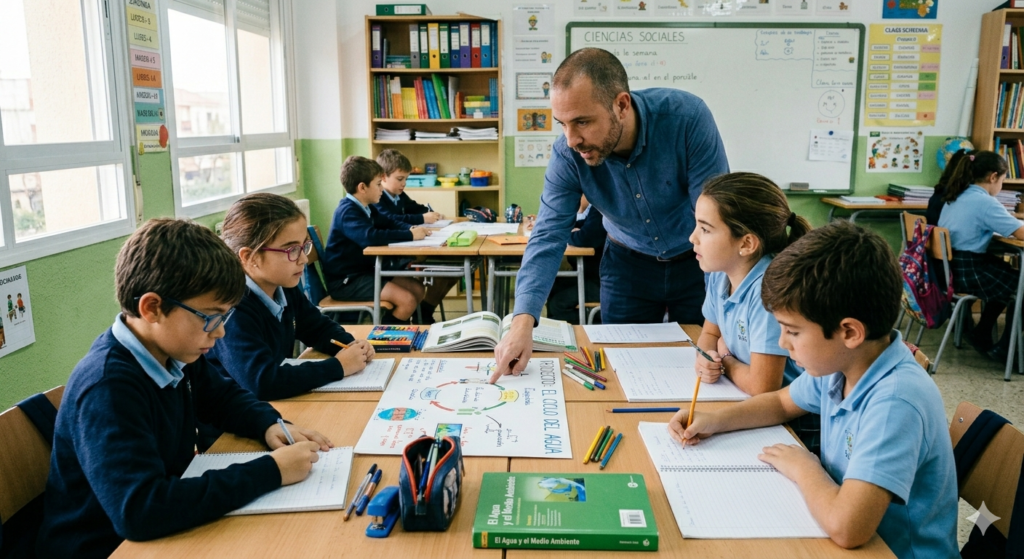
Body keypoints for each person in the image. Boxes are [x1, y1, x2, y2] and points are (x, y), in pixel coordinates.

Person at [36, 218, 332, 559]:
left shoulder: (170, 351)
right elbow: (141, 510)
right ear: (152, 308)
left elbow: (223, 397)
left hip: (162, 533)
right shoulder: (108, 387)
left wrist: (268, 424)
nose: (220, 333)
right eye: (211, 317)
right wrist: (272, 470)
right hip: (106, 547)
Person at [668, 221, 958, 559]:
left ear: (849, 332)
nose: (781, 343)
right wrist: (714, 420)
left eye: (793, 332)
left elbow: (848, 528)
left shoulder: (896, 401)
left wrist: (805, 467)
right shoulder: (843, 364)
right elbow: (780, 402)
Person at [491, 47, 728, 382]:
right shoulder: (567, 152)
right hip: (627, 266)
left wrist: (719, 320)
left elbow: (715, 223)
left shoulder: (687, 119)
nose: (571, 140)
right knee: (625, 372)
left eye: (582, 122)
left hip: (698, 261)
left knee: (706, 369)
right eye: (562, 124)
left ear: (621, 105)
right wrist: (522, 321)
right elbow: (547, 234)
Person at [209, 193, 375, 402]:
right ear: (249, 256)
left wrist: (351, 346)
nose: (304, 259)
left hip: (272, 407)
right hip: (234, 423)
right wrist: (339, 366)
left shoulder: (283, 286)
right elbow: (262, 382)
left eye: (304, 246)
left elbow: (318, 328)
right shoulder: (231, 307)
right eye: (292, 249)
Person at [321, 155, 428, 324]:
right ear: (362, 187)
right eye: (378, 184)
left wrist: (410, 229)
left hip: (365, 272)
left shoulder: (366, 207)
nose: (381, 189)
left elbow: (389, 222)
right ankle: (384, 339)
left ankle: (400, 329)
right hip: (347, 281)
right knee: (407, 300)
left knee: (418, 289)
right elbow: (370, 237)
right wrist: (409, 235)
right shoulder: (347, 211)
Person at [938, 150, 1024, 360]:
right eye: (1002, 180)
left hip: (952, 270)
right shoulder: (985, 202)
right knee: (1020, 285)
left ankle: (982, 333)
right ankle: (1005, 348)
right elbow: (1021, 233)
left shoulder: (957, 194)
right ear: (992, 177)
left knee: (1010, 278)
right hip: (970, 271)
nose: (1001, 186)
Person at [374, 149, 457, 324]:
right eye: (400, 179)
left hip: (404, 248)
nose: (404, 184)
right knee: (444, 268)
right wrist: (421, 219)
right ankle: (417, 317)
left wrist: (430, 213)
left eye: (406, 179)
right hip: (393, 256)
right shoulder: (378, 197)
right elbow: (389, 219)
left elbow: (414, 207)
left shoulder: (398, 195)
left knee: (452, 268)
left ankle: (424, 314)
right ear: (383, 177)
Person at [544, 195, 605, 324]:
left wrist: (570, 234)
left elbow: (586, 237)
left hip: (603, 281)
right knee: (552, 285)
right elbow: (582, 226)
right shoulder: (594, 208)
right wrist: (567, 230)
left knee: (558, 303)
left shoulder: (600, 206)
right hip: (593, 276)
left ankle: (592, 323)